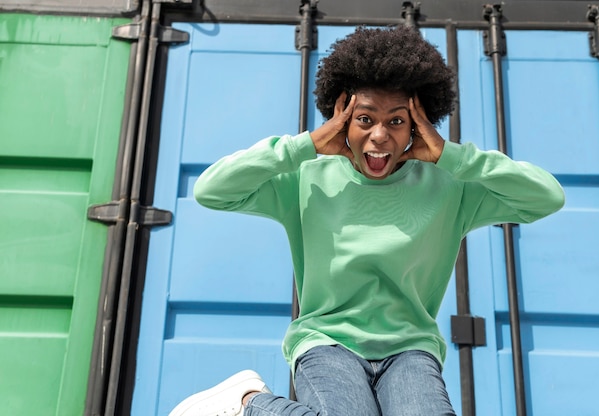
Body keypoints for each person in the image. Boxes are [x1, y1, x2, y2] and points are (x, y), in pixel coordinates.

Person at [169, 25, 565, 416]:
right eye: (365, 119)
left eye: (396, 121)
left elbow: (545, 198)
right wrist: (303, 146)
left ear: (416, 127)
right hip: (326, 342)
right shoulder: (307, 177)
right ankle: (246, 403)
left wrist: (454, 157)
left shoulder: (449, 186)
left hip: (410, 349)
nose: (379, 135)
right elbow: (212, 190)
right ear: (342, 119)